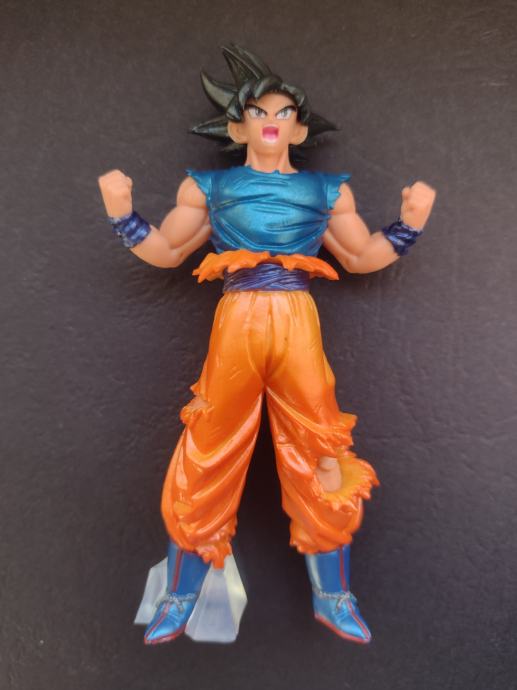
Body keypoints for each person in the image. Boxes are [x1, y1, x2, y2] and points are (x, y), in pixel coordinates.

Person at [98, 44, 436, 645]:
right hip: (237, 321)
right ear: (238, 128)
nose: (271, 121)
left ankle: (333, 594)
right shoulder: (211, 187)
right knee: (208, 446)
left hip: (297, 321)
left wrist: (410, 222)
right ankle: (181, 591)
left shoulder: (326, 191)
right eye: (258, 112)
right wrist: (122, 214)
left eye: (283, 112)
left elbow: (360, 256)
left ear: (299, 130)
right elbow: (168, 250)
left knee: (321, 443)